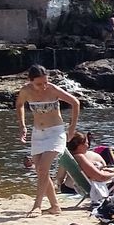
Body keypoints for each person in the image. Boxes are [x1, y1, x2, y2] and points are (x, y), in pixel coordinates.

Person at [15, 65, 80, 216]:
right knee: (40, 171)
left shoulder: (53, 89)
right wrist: (22, 125)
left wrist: (72, 127)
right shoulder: (25, 91)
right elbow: (19, 105)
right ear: (30, 81)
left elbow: (75, 103)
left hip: (55, 133)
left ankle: (37, 206)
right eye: (39, 83)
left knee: (43, 169)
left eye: (45, 82)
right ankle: (55, 206)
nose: (44, 86)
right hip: (38, 133)